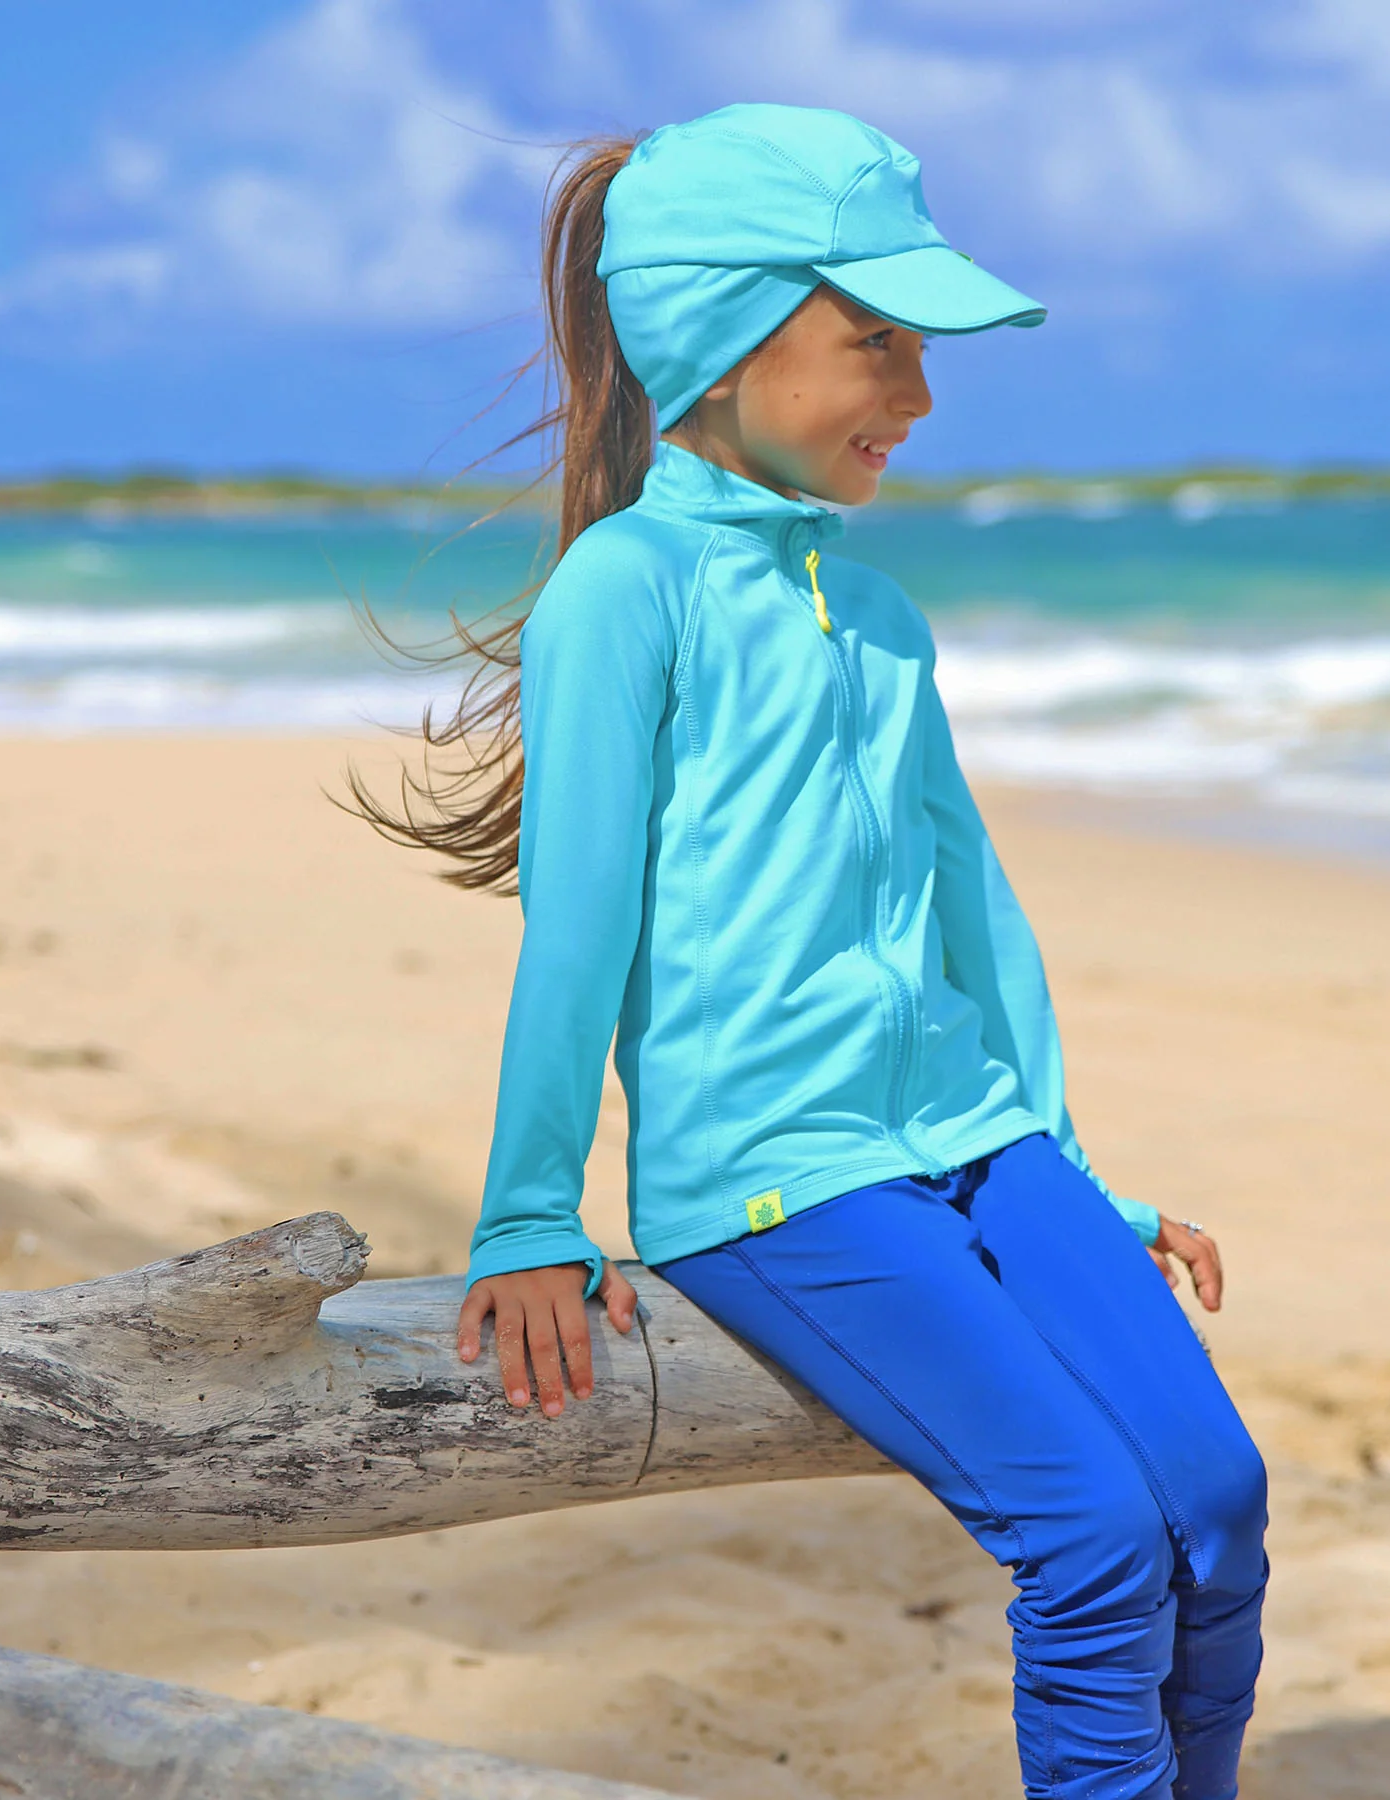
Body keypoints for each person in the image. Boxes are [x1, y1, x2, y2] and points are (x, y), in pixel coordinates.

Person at [363, 102, 1267, 1800]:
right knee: (1090, 1543)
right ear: (722, 334)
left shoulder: (882, 615)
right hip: (781, 1183)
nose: (918, 397)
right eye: (878, 343)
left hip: (978, 1140)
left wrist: (1080, 1182)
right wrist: (531, 1212)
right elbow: (580, 927)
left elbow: (972, 913)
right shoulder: (627, 592)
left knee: (1218, 1510)